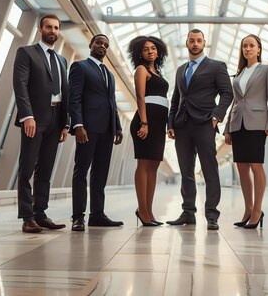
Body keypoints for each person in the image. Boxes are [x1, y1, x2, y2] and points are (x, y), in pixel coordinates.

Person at [166, 29, 233, 230]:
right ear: (186, 43)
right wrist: (170, 123)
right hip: (182, 126)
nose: (195, 44)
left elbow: (227, 94)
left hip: (205, 123)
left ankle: (212, 215)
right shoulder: (181, 70)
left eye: (199, 41)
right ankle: (188, 213)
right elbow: (176, 99)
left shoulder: (216, 66)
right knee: (186, 171)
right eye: (191, 41)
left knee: (209, 169)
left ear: (204, 43)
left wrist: (216, 117)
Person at [13, 14, 69, 233]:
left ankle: (40, 213)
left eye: (56, 27)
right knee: (27, 168)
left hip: (56, 120)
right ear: (40, 29)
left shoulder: (62, 60)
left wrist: (66, 124)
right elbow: (20, 85)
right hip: (35, 119)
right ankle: (27, 217)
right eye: (48, 27)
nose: (52, 31)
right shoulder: (26, 53)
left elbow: (65, 93)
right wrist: (27, 116)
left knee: (45, 170)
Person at [68, 34, 124, 231]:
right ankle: (77, 217)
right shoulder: (79, 67)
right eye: (99, 42)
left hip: (107, 130)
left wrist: (117, 126)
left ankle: (97, 214)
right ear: (91, 44)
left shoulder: (109, 73)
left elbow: (112, 102)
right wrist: (78, 125)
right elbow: (74, 98)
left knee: (100, 174)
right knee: (81, 172)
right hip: (88, 128)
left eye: (106, 45)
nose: (102, 46)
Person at [223, 34, 268, 230]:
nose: (247, 49)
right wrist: (227, 128)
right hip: (238, 124)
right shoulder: (238, 74)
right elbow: (235, 103)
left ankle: (257, 210)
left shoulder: (267, 70)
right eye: (244, 46)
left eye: (251, 46)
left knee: (256, 165)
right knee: (242, 167)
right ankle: (247, 209)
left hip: (258, 123)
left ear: (259, 49)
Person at [128, 36, 169, 227]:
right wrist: (144, 123)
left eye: (153, 48)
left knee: (153, 166)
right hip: (146, 121)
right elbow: (140, 97)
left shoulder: (157, 72)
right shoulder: (141, 70)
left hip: (159, 123)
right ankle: (142, 211)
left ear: (158, 51)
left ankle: (149, 211)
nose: (150, 51)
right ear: (140, 53)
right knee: (143, 165)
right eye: (146, 49)